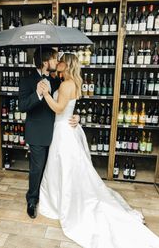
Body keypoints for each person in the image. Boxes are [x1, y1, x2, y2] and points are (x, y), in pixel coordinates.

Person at [38, 53, 159, 248]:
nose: (58, 62)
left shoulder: (65, 85)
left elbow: (59, 109)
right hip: (70, 129)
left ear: (66, 65)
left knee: (63, 167)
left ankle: (61, 202)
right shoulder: (74, 83)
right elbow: (69, 108)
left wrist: (45, 95)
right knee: (69, 168)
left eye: (61, 60)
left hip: (62, 132)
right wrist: (75, 116)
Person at [18, 47, 79, 219]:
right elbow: (21, 106)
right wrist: (38, 93)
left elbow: (68, 101)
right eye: (54, 58)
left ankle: (51, 198)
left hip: (59, 132)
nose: (58, 61)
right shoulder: (27, 80)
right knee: (37, 168)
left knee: (52, 168)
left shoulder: (58, 80)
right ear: (46, 62)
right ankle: (32, 199)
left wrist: (76, 115)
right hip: (38, 132)